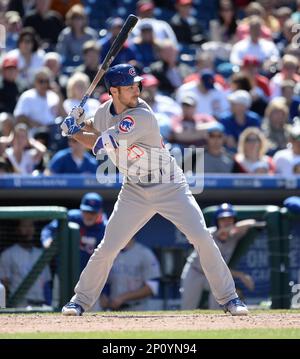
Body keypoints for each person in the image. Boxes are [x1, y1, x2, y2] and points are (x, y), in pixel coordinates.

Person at [60, 63, 249, 316]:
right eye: (130, 86)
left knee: (202, 237)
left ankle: (230, 298)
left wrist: (73, 132)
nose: (137, 89)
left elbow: (101, 143)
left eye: (137, 84)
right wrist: (77, 121)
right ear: (114, 91)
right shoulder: (106, 111)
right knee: (107, 247)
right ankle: (80, 301)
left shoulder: (142, 115)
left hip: (169, 185)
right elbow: (96, 125)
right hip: (134, 189)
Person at [180, 203, 264, 310]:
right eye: (223, 219)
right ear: (217, 221)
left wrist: (231, 229)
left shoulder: (234, 236)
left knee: (218, 306)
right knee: (187, 307)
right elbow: (189, 239)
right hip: (195, 272)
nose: (226, 222)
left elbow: (252, 223)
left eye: (230, 218)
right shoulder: (209, 233)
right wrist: (220, 232)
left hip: (213, 274)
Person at [41, 192, 107, 271]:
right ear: (81, 209)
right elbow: (49, 229)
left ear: (100, 212)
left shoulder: (104, 227)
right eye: (86, 211)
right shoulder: (72, 217)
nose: (88, 215)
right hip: (66, 272)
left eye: (92, 212)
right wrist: (47, 240)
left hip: (91, 274)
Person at [0, 219, 51, 308]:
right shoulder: (7, 254)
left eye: (31, 226)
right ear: (17, 230)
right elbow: (5, 285)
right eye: (24, 226)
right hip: (19, 304)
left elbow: (46, 284)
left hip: (41, 303)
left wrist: (49, 303)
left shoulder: (40, 254)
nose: (29, 229)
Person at [100, 237, 161, 311]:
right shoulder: (109, 253)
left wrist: (124, 297)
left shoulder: (145, 253)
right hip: (113, 309)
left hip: (138, 308)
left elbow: (152, 288)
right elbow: (105, 281)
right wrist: (104, 295)